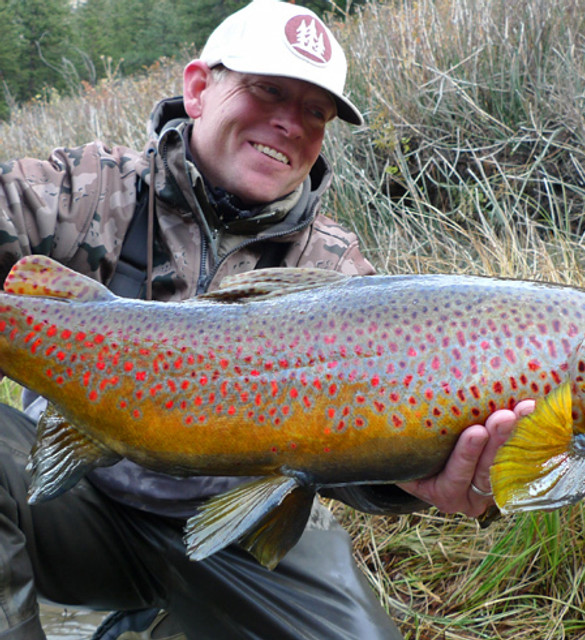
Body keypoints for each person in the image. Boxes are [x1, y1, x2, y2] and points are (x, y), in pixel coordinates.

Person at [0, 2, 532, 638]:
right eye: (268, 91)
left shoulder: (340, 275)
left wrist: (409, 481)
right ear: (199, 88)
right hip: (70, 502)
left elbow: (355, 455)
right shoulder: (84, 190)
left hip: (243, 529)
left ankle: (159, 620)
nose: (288, 123)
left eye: (315, 111)